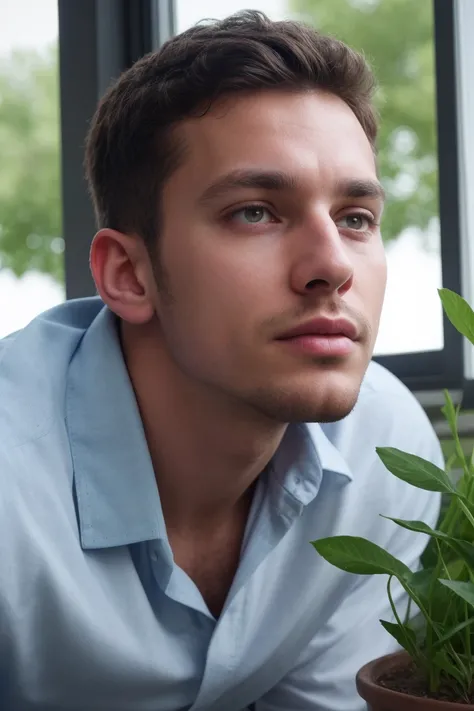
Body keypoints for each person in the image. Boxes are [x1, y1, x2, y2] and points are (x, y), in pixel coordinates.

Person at [0, 10, 442, 711]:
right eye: (255, 212)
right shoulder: (12, 485)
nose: (331, 265)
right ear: (128, 274)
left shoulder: (385, 445)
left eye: (355, 218)